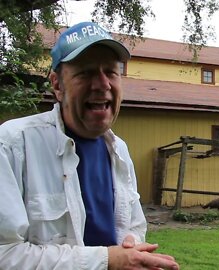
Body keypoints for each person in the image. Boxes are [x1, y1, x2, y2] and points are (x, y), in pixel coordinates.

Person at [0, 21, 179, 270]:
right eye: (86, 72)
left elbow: (135, 225)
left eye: (111, 72)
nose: (102, 84)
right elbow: (4, 254)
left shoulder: (120, 151)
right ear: (57, 85)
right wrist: (108, 261)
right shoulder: (12, 145)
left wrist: (131, 244)